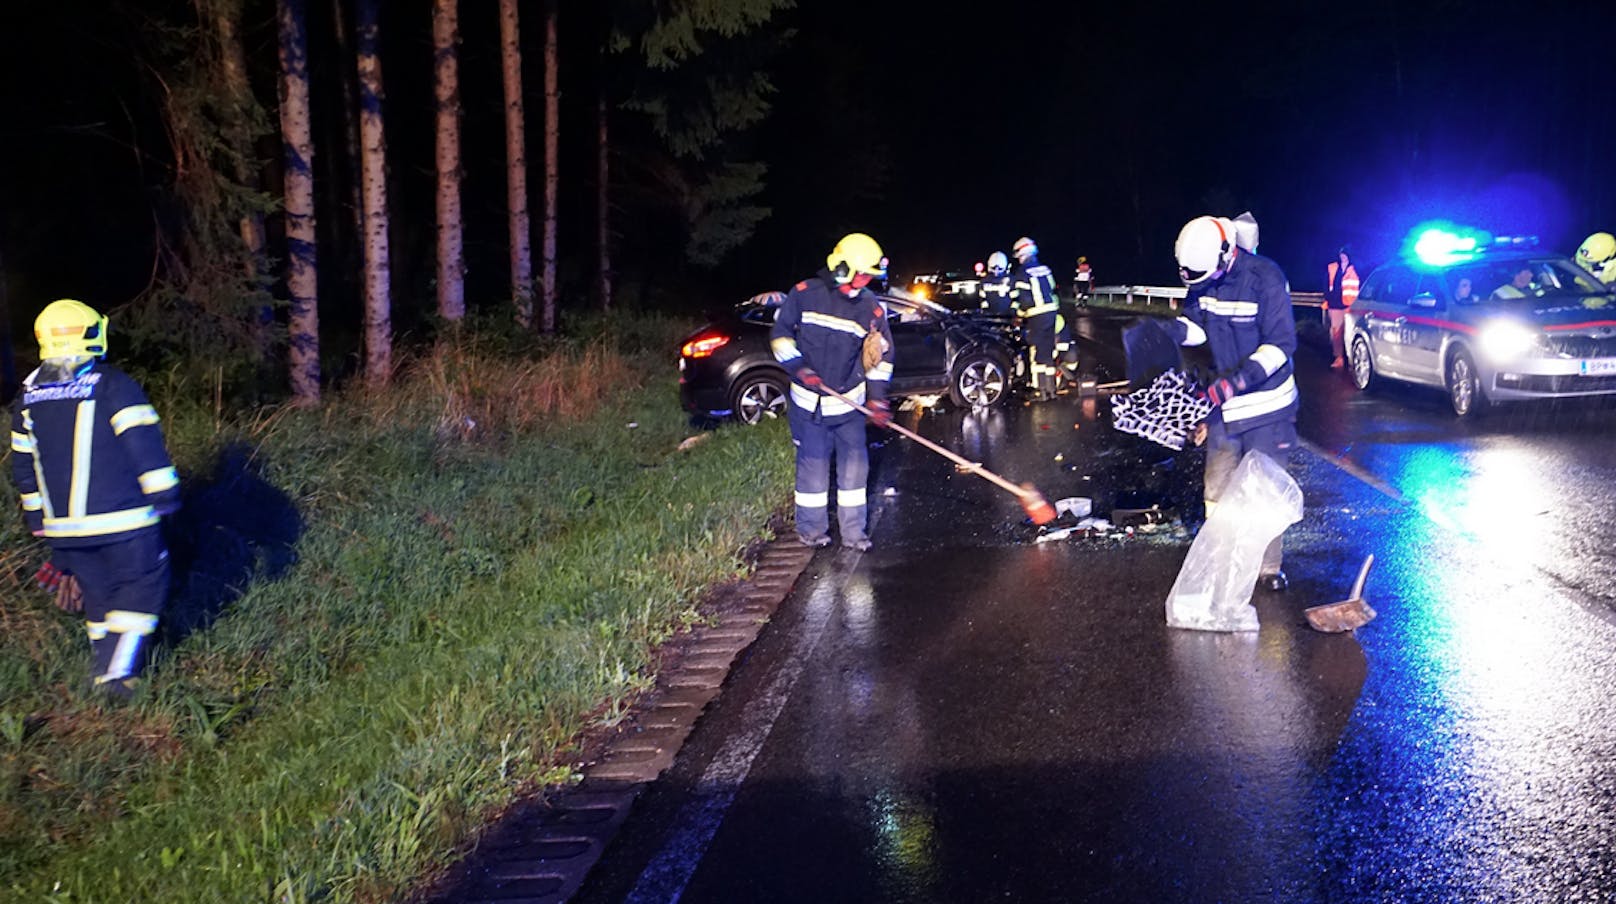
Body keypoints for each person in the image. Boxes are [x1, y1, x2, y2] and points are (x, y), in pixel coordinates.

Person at [10, 299, 181, 699]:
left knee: (99, 594)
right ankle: (115, 676)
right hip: (124, 522)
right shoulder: (113, 386)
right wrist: (166, 495)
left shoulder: (26, 400)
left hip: (64, 532)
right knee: (145, 585)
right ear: (93, 335)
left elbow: (24, 467)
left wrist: (37, 521)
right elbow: (142, 443)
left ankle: (104, 664)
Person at [1171, 214, 1299, 592]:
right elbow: (1197, 325)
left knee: (1266, 489)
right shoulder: (1205, 273)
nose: (1205, 284)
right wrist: (1172, 330)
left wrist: (1237, 382)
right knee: (1217, 486)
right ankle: (1222, 555)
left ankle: (1267, 566)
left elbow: (1281, 345)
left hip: (1268, 407)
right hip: (1224, 405)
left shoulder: (1265, 278)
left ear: (1228, 253)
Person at [771, 233, 896, 551]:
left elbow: (880, 359)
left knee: (855, 472)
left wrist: (878, 398)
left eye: (870, 275)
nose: (866, 281)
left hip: (849, 409)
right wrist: (800, 368)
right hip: (809, 408)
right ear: (842, 268)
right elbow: (780, 338)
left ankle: (854, 534)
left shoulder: (871, 309)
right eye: (862, 273)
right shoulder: (804, 295)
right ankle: (812, 531)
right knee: (813, 471)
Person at [1011, 236, 1061, 400]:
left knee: (1037, 353)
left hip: (1037, 315)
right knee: (1047, 352)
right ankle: (1051, 389)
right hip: (1051, 312)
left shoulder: (1022, 272)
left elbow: (1024, 300)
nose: (1018, 259)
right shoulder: (1045, 269)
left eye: (1019, 255)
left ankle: (1040, 391)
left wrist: (1018, 316)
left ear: (1023, 253)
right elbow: (1052, 288)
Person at [1324, 246, 1360, 369]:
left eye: (1345, 254)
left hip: (1351, 306)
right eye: (1341, 254)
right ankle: (1339, 358)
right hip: (1335, 305)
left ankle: (1351, 358)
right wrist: (1329, 298)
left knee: (1350, 333)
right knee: (1336, 333)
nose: (1342, 256)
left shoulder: (1356, 269)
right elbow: (1326, 284)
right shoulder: (1332, 268)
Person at [979, 251, 1016, 315]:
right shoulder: (985, 280)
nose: (996, 271)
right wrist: (985, 311)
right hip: (990, 316)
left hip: (1007, 316)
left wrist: (1013, 311)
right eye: (993, 268)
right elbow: (982, 298)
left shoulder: (1011, 279)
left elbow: (1016, 298)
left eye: (1000, 269)